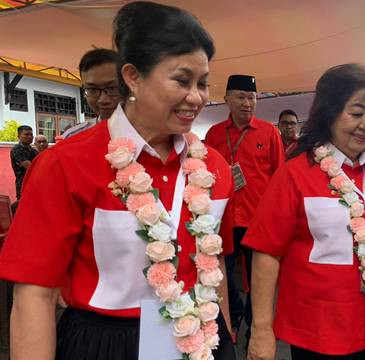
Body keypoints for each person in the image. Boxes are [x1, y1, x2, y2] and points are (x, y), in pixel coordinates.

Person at [0, 2, 236, 359]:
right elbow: (35, 292)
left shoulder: (213, 167)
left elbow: (215, 262)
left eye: (203, 83)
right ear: (133, 77)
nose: (197, 97)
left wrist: (226, 334)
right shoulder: (65, 164)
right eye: (182, 80)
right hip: (105, 344)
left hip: (198, 336)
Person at [244, 63, 365, 360]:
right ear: (330, 112)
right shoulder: (295, 174)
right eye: (356, 113)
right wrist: (261, 330)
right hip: (318, 332)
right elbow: (267, 253)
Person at [204, 74, 285, 336]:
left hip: (256, 219)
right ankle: (233, 315)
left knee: (258, 276)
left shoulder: (269, 132)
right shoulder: (214, 134)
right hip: (223, 218)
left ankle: (254, 324)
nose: (247, 103)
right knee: (221, 273)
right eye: (240, 97)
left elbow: (279, 177)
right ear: (227, 99)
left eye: (251, 98)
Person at [63, 48, 123, 138]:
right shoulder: (74, 137)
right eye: (93, 89)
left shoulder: (148, 134)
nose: (103, 100)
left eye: (111, 88)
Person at [10, 125, 38, 202]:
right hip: (23, 185)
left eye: (31, 134)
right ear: (19, 136)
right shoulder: (16, 150)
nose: (30, 137)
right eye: (26, 134)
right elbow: (30, 167)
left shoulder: (34, 151)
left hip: (35, 184)